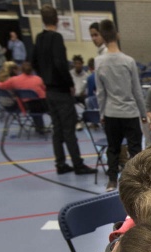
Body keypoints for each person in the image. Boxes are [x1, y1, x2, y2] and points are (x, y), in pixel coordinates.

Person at [32, 5, 96, 176]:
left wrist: (45, 77)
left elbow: (34, 62)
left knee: (57, 129)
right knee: (69, 129)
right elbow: (60, 64)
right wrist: (69, 84)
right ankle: (78, 164)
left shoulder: (39, 38)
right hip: (60, 91)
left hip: (49, 91)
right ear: (57, 20)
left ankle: (60, 163)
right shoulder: (56, 38)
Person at [94, 19, 146, 192]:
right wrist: (143, 112)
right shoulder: (129, 61)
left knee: (113, 148)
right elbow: (137, 91)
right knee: (135, 149)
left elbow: (101, 93)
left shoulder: (98, 62)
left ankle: (111, 181)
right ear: (118, 35)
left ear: (102, 36)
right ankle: (138, 181)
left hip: (111, 113)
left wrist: (101, 114)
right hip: (130, 113)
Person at [0, 61, 47, 133]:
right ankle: (42, 127)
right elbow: (45, 90)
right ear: (32, 70)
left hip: (27, 105)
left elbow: (0, 85)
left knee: (32, 104)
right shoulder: (38, 79)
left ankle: (40, 127)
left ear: (21, 70)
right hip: (42, 105)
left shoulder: (14, 80)